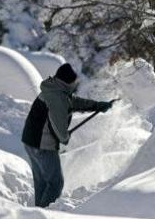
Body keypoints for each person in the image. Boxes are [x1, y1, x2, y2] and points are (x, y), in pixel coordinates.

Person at [21, 63, 112, 207]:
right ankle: (44, 215)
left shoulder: (53, 89)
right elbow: (58, 123)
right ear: (67, 81)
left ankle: (37, 212)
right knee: (56, 183)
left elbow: (72, 102)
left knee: (42, 181)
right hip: (42, 145)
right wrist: (64, 137)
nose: (75, 84)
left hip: (30, 140)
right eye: (74, 81)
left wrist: (97, 105)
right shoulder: (57, 97)